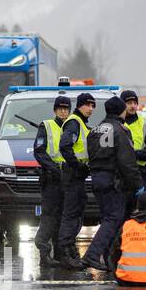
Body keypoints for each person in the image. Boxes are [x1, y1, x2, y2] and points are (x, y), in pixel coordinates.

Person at [82, 96, 143, 272]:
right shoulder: (121, 130)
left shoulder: (94, 131)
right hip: (113, 181)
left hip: (97, 179)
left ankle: (109, 258)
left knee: (108, 219)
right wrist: (137, 184)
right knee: (114, 218)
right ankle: (93, 255)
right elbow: (127, 161)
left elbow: (91, 156)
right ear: (120, 111)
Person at [55, 92, 95, 269]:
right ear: (79, 106)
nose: (90, 108)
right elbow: (65, 146)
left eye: (93, 106)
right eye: (87, 105)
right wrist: (77, 165)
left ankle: (70, 250)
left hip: (78, 175)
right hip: (72, 174)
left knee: (77, 214)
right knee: (70, 215)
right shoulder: (74, 122)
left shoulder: (82, 124)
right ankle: (65, 253)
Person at [32, 94, 72, 268]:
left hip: (69, 178)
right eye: (60, 108)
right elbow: (39, 151)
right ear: (55, 110)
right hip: (52, 178)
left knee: (64, 217)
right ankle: (44, 254)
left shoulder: (73, 127)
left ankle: (60, 252)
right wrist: (54, 169)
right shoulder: (46, 126)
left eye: (66, 108)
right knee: (49, 217)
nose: (63, 111)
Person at [120, 89, 146, 188]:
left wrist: (139, 154)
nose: (133, 106)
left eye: (135, 103)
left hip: (139, 173)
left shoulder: (145, 123)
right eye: (129, 103)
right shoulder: (116, 122)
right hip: (120, 174)